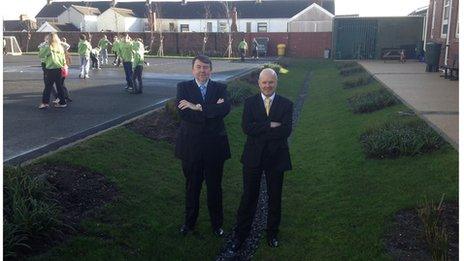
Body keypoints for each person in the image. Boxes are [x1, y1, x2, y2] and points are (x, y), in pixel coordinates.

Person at [228, 68, 293, 254]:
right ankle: (240, 235)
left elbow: (285, 131)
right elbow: (246, 128)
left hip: (276, 157)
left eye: (271, 82)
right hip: (253, 157)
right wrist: (270, 125)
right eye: (264, 82)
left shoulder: (286, 104)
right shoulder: (250, 103)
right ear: (259, 83)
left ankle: (272, 233)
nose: (267, 85)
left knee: (275, 197)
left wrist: (260, 129)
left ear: (276, 83)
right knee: (248, 196)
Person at [175, 55, 231, 237]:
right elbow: (184, 115)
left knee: (215, 188)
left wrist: (197, 107)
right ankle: (189, 223)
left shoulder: (221, 88)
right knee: (192, 187)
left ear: (211, 70)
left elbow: (224, 110)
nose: (202, 71)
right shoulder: (183, 88)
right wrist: (210, 110)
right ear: (193, 69)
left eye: (205, 67)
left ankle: (217, 225)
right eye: (198, 67)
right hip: (191, 148)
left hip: (215, 148)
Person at [37, 33, 68, 109]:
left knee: (48, 87)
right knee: (59, 86)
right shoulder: (60, 47)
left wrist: (45, 46)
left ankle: (45, 103)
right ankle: (62, 102)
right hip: (59, 68)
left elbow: (40, 55)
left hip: (50, 69)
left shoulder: (49, 47)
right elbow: (63, 57)